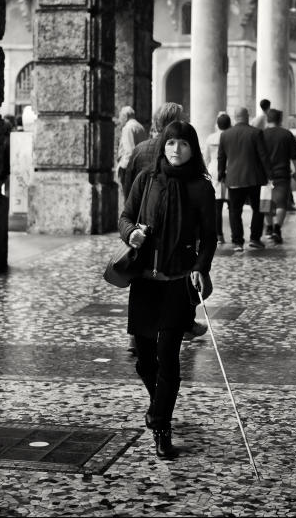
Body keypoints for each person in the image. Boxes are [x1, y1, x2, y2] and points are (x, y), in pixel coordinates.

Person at [119, 121, 216, 459]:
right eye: (170, 143)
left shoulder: (201, 188)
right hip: (146, 282)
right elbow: (126, 217)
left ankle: (161, 424)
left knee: (168, 358)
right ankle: (158, 398)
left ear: (193, 148)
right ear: (163, 146)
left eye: (183, 144)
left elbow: (209, 237)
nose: (176, 149)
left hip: (177, 283)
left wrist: (200, 268)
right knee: (145, 361)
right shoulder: (146, 179)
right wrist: (132, 234)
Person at [122, 102, 207, 344]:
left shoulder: (139, 149)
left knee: (150, 278)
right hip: (165, 236)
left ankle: (142, 333)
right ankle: (182, 323)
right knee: (177, 274)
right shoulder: (174, 155)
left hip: (145, 232)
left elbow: (129, 192)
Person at [217, 106, 271, 251]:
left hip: (234, 178)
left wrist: (221, 174)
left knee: (235, 211)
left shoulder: (225, 135)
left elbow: (221, 157)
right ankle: (254, 238)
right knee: (257, 209)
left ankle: (237, 242)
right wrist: (269, 175)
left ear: (235, 117)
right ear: (247, 116)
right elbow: (263, 156)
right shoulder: (256, 132)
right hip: (255, 178)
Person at [262, 108, 296, 244]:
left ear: (268, 119)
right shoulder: (287, 135)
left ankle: (269, 227)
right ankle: (277, 228)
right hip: (282, 173)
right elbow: (294, 156)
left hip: (265, 174)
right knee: (281, 202)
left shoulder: (261, 134)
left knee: (266, 201)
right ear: (280, 120)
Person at [203, 112, 231, 245]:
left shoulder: (210, 138)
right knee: (232, 205)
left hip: (214, 168)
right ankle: (235, 234)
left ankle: (219, 234)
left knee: (217, 206)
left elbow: (206, 157)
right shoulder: (230, 136)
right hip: (229, 168)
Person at [117, 106, 147, 201]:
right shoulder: (140, 126)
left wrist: (122, 167)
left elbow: (130, 151)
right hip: (139, 166)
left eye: (120, 117)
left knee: (128, 199)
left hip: (129, 168)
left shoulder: (128, 128)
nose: (119, 120)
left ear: (125, 116)